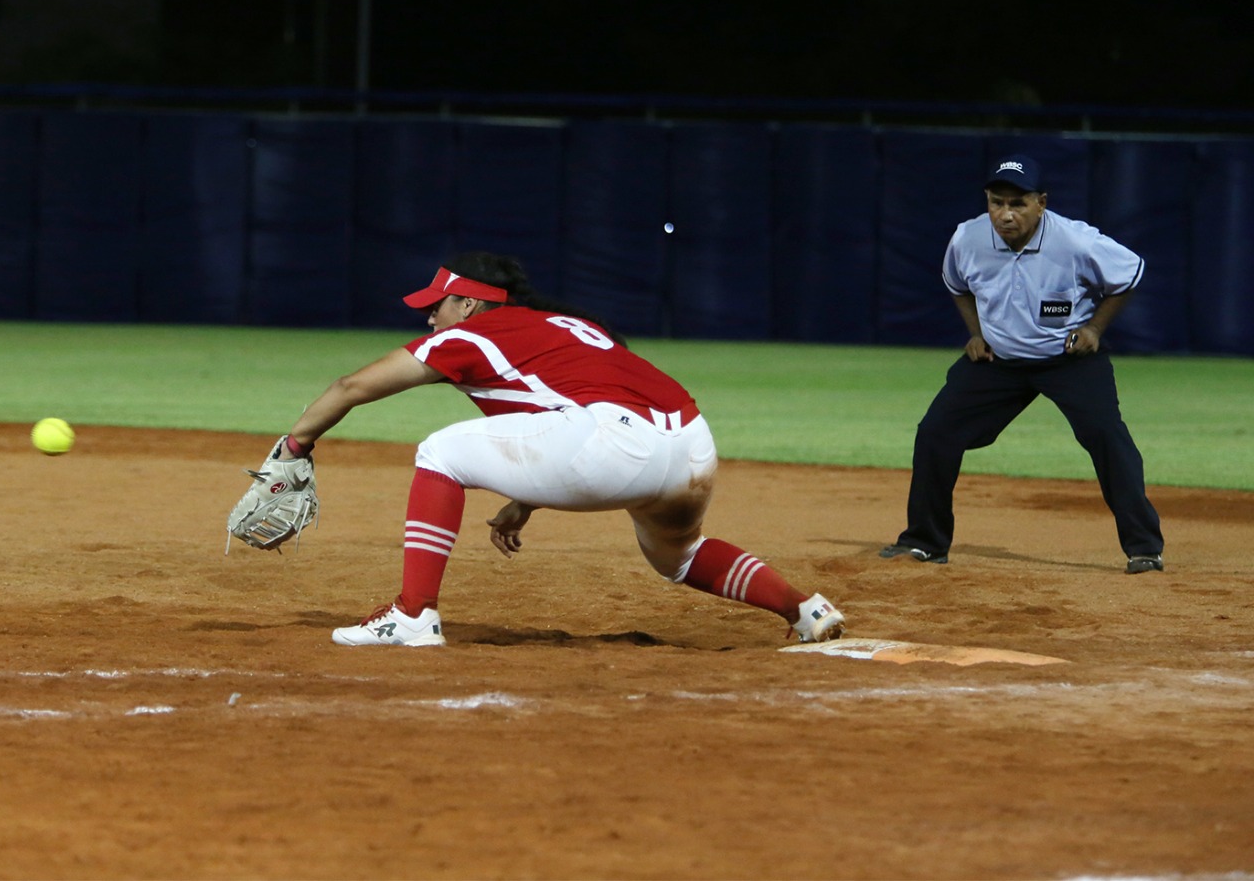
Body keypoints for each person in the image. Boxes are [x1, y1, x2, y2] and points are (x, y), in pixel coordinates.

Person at [269, 250, 845, 646]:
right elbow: (567, 407)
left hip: (614, 442)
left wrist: (295, 444)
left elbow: (351, 386)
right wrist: (527, 497)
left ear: (467, 304)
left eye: (437, 305)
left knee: (439, 453)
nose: (430, 316)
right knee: (679, 553)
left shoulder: (473, 333)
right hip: (691, 442)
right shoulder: (564, 325)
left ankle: (413, 615)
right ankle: (804, 609)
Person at [880, 154, 1165, 574]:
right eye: (996, 202)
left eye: (1017, 203)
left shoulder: (1075, 241)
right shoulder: (967, 238)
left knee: (1106, 437)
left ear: (1041, 203)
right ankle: (924, 541)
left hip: (1068, 360)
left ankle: (1144, 548)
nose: (1005, 214)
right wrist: (976, 333)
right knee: (936, 433)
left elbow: (1129, 275)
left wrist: (1094, 328)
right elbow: (958, 286)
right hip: (999, 360)